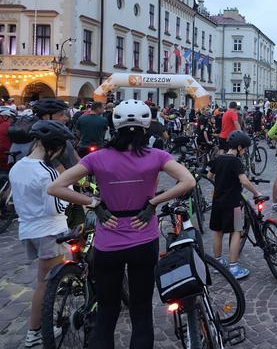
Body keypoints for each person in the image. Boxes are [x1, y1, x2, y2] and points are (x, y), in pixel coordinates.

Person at [48, 100, 196, 349]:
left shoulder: (98, 158)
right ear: (146, 126)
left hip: (108, 243)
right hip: (143, 239)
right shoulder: (156, 156)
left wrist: (94, 203)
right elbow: (188, 181)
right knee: (141, 312)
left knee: (107, 312)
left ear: (114, 126)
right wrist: (153, 203)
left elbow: (55, 187)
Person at [10, 121, 72, 348]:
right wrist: (71, 193)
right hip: (49, 230)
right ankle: (35, 333)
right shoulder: (48, 173)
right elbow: (56, 207)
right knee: (44, 284)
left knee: (48, 277)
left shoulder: (18, 167)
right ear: (53, 148)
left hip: (29, 229)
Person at [207, 130, 261, 279]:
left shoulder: (219, 159)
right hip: (233, 203)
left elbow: (209, 176)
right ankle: (233, 268)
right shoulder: (235, 161)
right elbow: (244, 181)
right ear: (239, 147)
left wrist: (219, 185)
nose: (244, 151)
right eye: (244, 148)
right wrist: (256, 193)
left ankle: (218, 264)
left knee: (217, 231)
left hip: (217, 201)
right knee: (236, 231)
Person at [0, 106, 15, 175]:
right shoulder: (7, 125)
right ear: (6, 117)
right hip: (4, 155)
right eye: (11, 118)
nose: (12, 120)